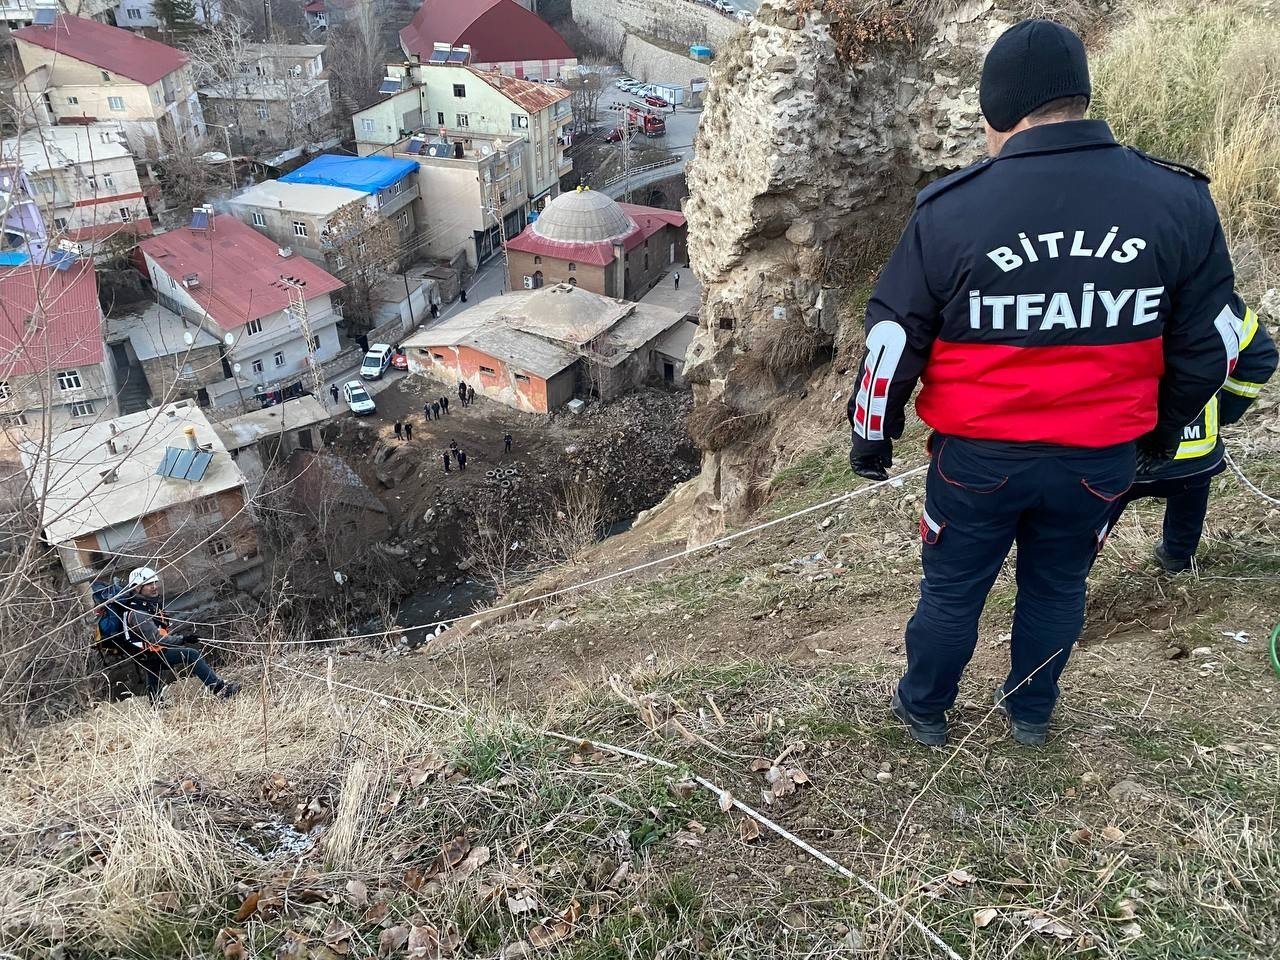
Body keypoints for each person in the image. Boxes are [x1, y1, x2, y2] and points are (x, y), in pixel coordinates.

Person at [848, 19, 1237, 748]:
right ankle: (1029, 716)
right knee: (1058, 587)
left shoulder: (952, 209)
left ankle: (924, 712)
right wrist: (1157, 432)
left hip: (977, 461)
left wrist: (872, 437)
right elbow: (1212, 343)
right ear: (1081, 98)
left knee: (954, 590)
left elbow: (893, 341)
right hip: (1099, 458)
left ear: (999, 110)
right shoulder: (1178, 202)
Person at [1105, 294, 1276, 572]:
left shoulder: (1105, 293)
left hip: (1119, 453)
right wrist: (1225, 409)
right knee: (1189, 495)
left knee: (1081, 535)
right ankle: (1178, 557)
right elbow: (1259, 356)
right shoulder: (1213, 296)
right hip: (1195, 452)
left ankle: (1066, 584)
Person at [110, 567, 240, 701]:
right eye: (149, 584)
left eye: (155, 583)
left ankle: (156, 703)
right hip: (150, 652)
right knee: (191, 654)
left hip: (145, 654)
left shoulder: (142, 605)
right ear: (137, 588)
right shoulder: (138, 612)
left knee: (153, 670)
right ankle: (220, 690)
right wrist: (183, 639)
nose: (154, 587)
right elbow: (156, 639)